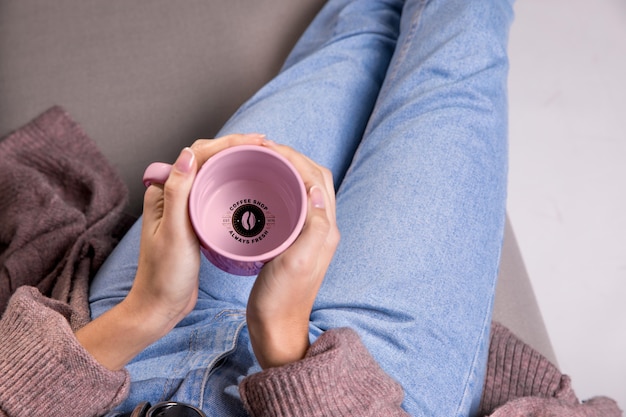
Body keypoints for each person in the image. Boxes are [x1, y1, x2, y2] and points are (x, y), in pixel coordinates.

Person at [1, 0, 514, 415]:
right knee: (453, 75)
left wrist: (149, 308)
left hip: (119, 352)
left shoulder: (144, 312)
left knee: (348, 56)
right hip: (356, 397)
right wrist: (283, 340)